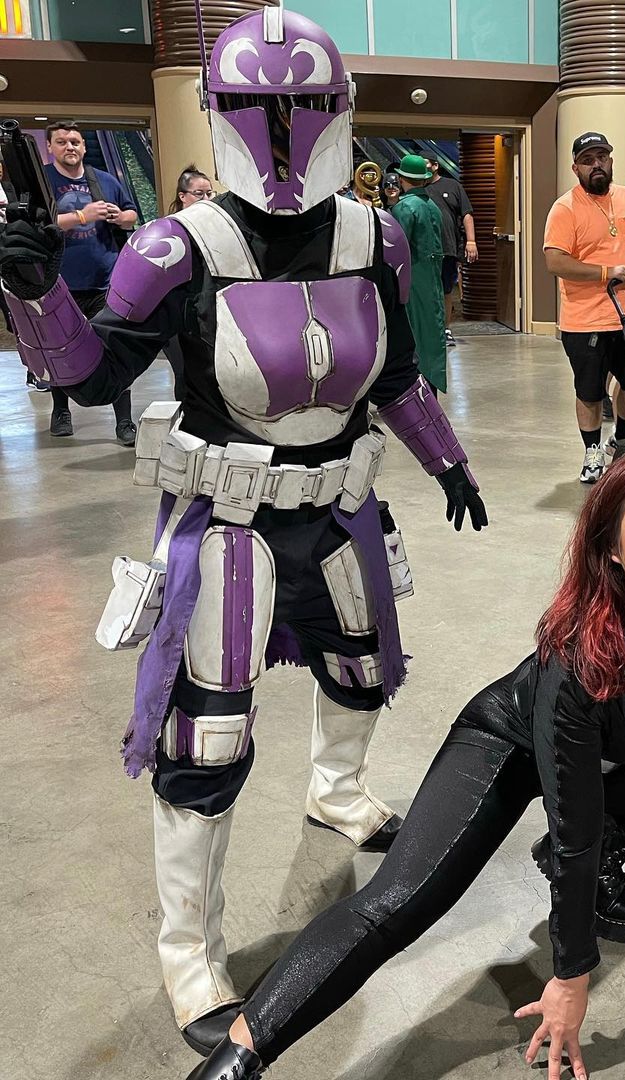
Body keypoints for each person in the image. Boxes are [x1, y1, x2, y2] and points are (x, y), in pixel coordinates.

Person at [0, 8, 487, 1057]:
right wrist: (35, 290)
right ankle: (189, 955)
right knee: (204, 742)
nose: (283, 130)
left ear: (337, 107)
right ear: (223, 110)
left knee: (363, 672)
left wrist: (448, 459)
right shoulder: (178, 247)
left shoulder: (374, 236)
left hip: (341, 508)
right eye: (264, 107)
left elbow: (397, 375)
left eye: (304, 104)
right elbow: (92, 375)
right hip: (228, 524)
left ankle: (338, 790)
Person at [184, 444, 625, 1080]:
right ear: (610, 547)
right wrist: (571, 977)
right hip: (508, 744)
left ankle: (616, 846)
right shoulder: (576, 663)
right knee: (397, 903)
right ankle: (239, 1056)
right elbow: (572, 834)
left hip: (608, 755)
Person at [544, 133, 625, 484]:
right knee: (589, 391)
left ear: (611, 161)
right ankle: (591, 451)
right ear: (576, 168)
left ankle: (622, 439)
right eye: (588, 160)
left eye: (602, 157)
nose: (597, 164)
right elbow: (555, 262)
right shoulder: (565, 208)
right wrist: (606, 272)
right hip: (584, 320)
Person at [44, 121, 139, 444]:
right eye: (61, 142)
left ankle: (124, 421)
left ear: (84, 147)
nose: (69, 147)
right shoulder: (44, 180)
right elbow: (38, 224)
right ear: (50, 147)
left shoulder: (105, 180)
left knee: (115, 350)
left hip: (106, 282)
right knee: (59, 350)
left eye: (75, 141)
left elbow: (131, 214)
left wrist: (120, 217)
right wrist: (83, 216)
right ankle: (61, 412)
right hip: (59, 284)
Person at [391, 154, 448, 393]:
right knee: (431, 333)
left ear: (402, 178)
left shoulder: (405, 207)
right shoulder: (432, 206)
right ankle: (430, 387)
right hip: (431, 278)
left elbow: (397, 248)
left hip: (411, 279)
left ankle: (414, 392)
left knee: (412, 334)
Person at [162, 165, 214, 400]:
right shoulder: (170, 228)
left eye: (210, 193)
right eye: (199, 194)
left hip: (208, 310)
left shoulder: (216, 226)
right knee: (184, 373)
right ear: (182, 196)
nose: (206, 199)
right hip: (176, 314)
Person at [424, 153, 478, 346]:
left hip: (448, 247)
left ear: (435, 166)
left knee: (446, 290)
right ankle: (427, 330)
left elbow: (467, 214)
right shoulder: (417, 187)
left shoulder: (453, 186)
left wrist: (471, 241)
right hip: (424, 250)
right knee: (426, 291)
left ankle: (445, 329)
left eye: (426, 164)